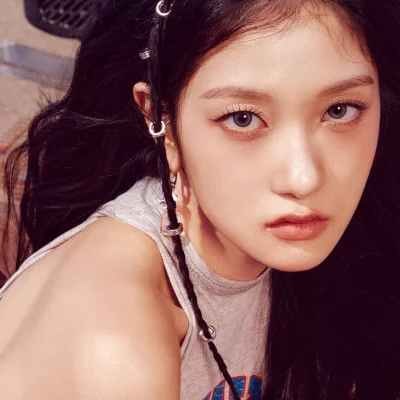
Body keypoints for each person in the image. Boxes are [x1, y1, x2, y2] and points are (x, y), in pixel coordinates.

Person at [1, 0, 400, 398]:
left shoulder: (337, 247)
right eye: (242, 118)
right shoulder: (114, 346)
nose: (304, 179)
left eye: (340, 110)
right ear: (160, 119)